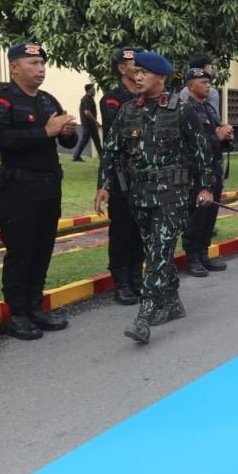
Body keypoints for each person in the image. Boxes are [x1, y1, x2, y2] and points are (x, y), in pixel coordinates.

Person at [95, 52, 215, 345]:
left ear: (161, 77)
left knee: (160, 252)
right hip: (139, 195)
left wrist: (204, 187)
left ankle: (144, 316)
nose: (137, 78)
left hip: (171, 195)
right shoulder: (127, 111)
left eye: (144, 73)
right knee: (155, 252)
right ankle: (172, 303)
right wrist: (104, 185)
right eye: (136, 73)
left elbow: (201, 153)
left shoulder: (182, 111)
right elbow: (112, 151)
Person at [0, 42, 78, 340]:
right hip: (18, 190)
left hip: (49, 187)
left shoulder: (49, 100)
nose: (41, 69)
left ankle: (35, 306)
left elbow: (64, 142)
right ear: (14, 67)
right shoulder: (1, 100)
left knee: (42, 249)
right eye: (33, 63)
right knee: (21, 253)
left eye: (42, 64)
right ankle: (18, 314)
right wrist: (45, 132)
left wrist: (65, 132)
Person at [100, 47, 145, 305]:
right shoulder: (113, 99)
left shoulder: (149, 97)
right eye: (132, 63)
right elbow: (116, 135)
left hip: (145, 175)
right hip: (121, 174)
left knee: (140, 227)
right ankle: (121, 281)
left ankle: (137, 276)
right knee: (121, 229)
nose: (137, 68)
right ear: (121, 68)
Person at [181, 68, 234, 276]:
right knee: (196, 215)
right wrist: (216, 137)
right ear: (190, 85)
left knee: (210, 215)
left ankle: (203, 254)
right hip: (196, 173)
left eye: (208, 82)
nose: (208, 85)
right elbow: (190, 143)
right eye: (203, 82)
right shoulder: (186, 110)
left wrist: (226, 136)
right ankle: (192, 257)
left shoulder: (210, 110)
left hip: (214, 169)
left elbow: (215, 137)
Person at [179, 52, 221, 118]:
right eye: (210, 68)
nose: (208, 85)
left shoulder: (184, 91)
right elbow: (215, 119)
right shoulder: (212, 92)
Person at [73, 83, 102, 161]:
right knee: (87, 140)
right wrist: (95, 121)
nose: (95, 92)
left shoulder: (86, 99)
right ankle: (76, 156)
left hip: (88, 123)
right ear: (90, 90)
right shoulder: (87, 99)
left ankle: (102, 156)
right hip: (89, 124)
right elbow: (87, 112)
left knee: (95, 140)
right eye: (93, 90)